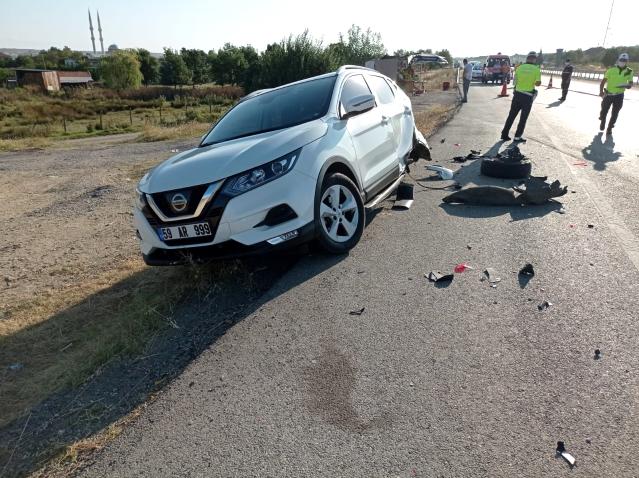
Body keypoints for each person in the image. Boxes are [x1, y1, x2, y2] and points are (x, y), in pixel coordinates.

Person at [500, 51, 542, 142]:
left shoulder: (519, 68)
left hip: (517, 95)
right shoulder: (536, 69)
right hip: (527, 96)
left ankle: (504, 134)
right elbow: (538, 83)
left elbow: (514, 82)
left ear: (527, 58)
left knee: (511, 116)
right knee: (523, 118)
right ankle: (517, 137)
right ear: (534, 59)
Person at [599, 53, 633, 135]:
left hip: (619, 95)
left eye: (624, 60)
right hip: (608, 94)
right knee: (604, 111)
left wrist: (629, 86)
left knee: (615, 113)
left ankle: (610, 128)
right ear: (618, 60)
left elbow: (630, 82)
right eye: (621, 60)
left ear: (627, 61)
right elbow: (603, 82)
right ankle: (603, 120)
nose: (622, 62)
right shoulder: (611, 70)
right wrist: (601, 92)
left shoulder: (629, 71)